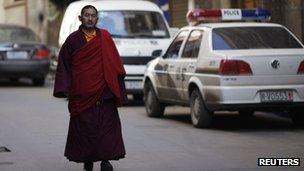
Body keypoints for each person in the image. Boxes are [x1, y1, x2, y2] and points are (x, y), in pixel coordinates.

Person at [53, 5, 127, 171]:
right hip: (82, 93)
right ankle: (88, 158)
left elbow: (115, 64)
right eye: (86, 15)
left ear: (97, 19)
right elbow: (64, 64)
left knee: (106, 128)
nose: (90, 18)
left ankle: (105, 160)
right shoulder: (73, 40)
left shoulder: (105, 37)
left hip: (104, 91)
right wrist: (64, 87)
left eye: (93, 16)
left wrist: (120, 90)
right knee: (86, 129)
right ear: (80, 18)